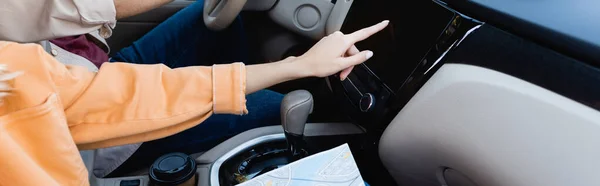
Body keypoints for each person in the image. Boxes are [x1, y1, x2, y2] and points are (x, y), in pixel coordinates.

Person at [0, 4, 390, 182]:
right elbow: (109, 102)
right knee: (274, 112)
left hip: (86, 69)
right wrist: (294, 68)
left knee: (207, 18)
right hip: (91, 143)